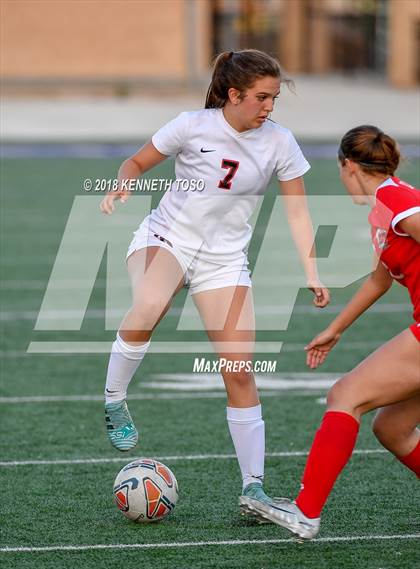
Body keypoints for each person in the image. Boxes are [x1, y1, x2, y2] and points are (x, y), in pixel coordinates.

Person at [99, 49, 329, 517]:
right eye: (262, 97)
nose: (270, 106)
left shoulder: (281, 143)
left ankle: (254, 488)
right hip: (166, 238)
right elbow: (136, 162)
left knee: (241, 372)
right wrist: (123, 182)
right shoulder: (191, 125)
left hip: (224, 262)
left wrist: (312, 271)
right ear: (233, 94)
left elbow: (298, 212)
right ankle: (114, 399)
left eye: (274, 98)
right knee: (149, 304)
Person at [242, 125, 420, 537]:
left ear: (349, 166)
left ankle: (306, 511)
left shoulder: (394, 198)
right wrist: (335, 329)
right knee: (391, 429)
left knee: (345, 395)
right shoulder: (386, 204)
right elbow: (380, 280)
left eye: (340, 171)